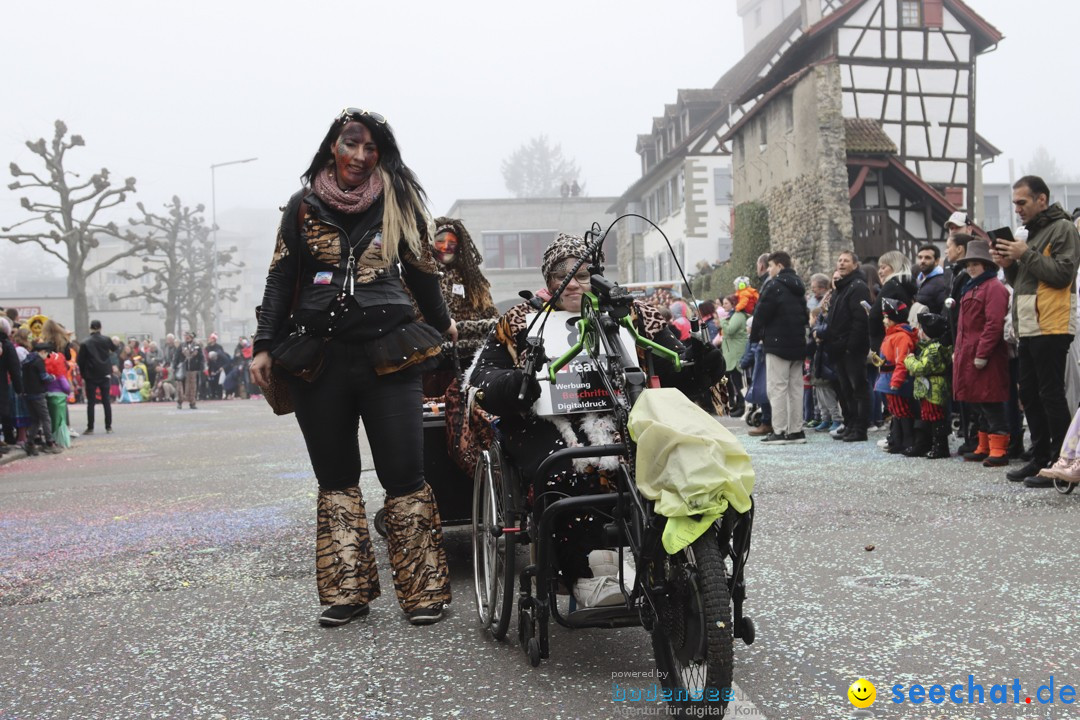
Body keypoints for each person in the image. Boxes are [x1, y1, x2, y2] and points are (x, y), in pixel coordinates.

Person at [251, 107, 457, 627]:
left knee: (404, 473)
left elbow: (423, 269)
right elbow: (280, 278)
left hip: (391, 355)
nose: (361, 156)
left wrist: (443, 323)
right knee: (336, 477)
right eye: (352, 144)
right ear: (332, 148)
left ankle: (423, 592)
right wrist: (263, 344)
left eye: (371, 149)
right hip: (318, 360)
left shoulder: (399, 201)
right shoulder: (302, 207)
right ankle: (348, 592)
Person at [468, 233, 725, 607]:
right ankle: (582, 571)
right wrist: (514, 386)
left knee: (677, 457)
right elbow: (481, 378)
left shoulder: (629, 312)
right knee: (562, 469)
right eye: (562, 274)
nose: (573, 282)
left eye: (584, 274)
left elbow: (674, 363)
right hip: (543, 420)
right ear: (548, 280)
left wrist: (701, 363)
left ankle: (680, 560)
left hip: (623, 413)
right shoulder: (521, 319)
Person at [992, 175, 1080, 487]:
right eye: (1015, 203)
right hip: (1030, 325)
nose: (1017, 208)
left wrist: (1023, 254)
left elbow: (1062, 275)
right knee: (1029, 393)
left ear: (1041, 199)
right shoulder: (1033, 233)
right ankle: (1041, 457)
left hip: (1052, 324)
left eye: (1022, 202)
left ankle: (1063, 460)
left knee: (1050, 393)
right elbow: (1023, 283)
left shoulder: (1064, 229)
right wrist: (1008, 265)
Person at [953, 239, 1011, 467]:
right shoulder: (973, 287)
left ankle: (999, 449)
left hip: (986, 356)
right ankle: (985, 445)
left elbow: (993, 324)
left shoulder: (994, 288)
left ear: (986, 265)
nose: (970, 268)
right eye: (968, 264)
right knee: (977, 402)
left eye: (975, 263)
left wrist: (983, 353)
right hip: (970, 354)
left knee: (991, 401)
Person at [750, 251, 809, 444]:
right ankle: (796, 430)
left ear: (780, 266)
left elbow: (761, 314)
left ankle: (780, 430)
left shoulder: (773, 286)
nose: (768, 270)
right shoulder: (799, 286)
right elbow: (805, 315)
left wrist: (755, 336)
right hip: (797, 343)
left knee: (777, 388)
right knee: (795, 388)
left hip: (776, 343)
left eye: (771, 266)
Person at [821, 251, 872, 442]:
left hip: (851, 349)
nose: (841, 263)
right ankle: (850, 424)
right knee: (845, 390)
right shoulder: (841, 288)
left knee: (858, 388)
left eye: (846, 261)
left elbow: (860, 320)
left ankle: (860, 428)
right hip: (839, 348)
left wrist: (851, 346)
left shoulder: (857, 287)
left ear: (855, 265)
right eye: (839, 260)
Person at [904, 312, 952, 459]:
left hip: (933, 388)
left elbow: (921, 368)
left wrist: (909, 360)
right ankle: (932, 444)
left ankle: (940, 447)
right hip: (929, 388)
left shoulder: (933, 349)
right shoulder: (929, 347)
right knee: (930, 417)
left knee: (936, 417)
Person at [874, 299, 918, 454]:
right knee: (896, 411)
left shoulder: (901, 336)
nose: (884, 321)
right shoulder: (893, 335)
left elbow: (902, 361)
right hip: (887, 378)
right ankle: (897, 440)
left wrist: (897, 380)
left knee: (902, 410)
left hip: (894, 379)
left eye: (887, 317)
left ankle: (906, 441)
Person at [77, 319, 116, 435]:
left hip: (91, 374)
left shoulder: (85, 342)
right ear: (100, 327)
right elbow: (114, 349)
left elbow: (80, 360)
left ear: (90, 328)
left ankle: (90, 427)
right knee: (106, 401)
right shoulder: (106, 340)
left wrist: (84, 374)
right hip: (105, 372)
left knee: (91, 402)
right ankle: (108, 426)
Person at [0, 316, 24, 455]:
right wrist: (19, 388)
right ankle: (8, 437)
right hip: (2, 382)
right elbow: (14, 369)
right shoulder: (7, 344)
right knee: (4, 411)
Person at [173, 330, 203, 409]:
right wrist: (174, 366)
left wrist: (201, 367)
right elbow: (176, 357)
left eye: (188, 336)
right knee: (180, 386)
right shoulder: (181, 346)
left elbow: (201, 357)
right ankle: (180, 401)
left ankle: (192, 402)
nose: (186, 337)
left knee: (192, 386)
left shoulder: (197, 346)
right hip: (183, 369)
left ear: (192, 337)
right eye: (185, 336)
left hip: (193, 369)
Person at [914, 243, 947, 314]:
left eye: (927, 257)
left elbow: (944, 313)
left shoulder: (940, 283)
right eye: (920, 257)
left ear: (937, 261)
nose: (922, 261)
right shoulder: (918, 280)